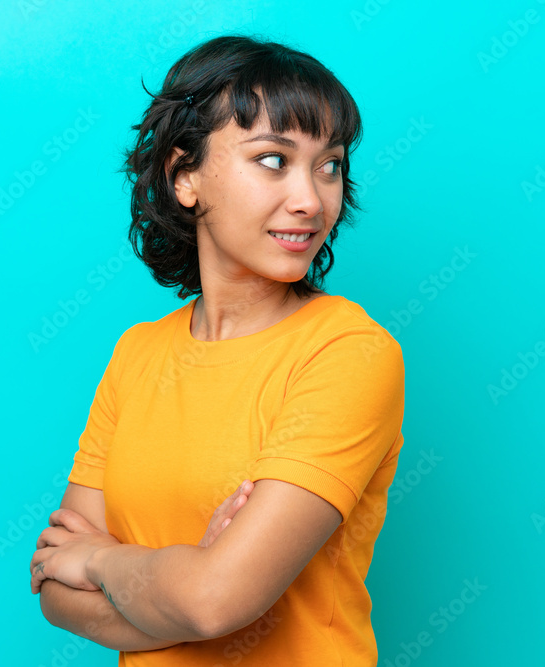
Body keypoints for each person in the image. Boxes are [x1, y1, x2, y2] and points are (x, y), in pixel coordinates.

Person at [29, 33, 406, 665]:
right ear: (185, 176)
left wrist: (102, 559)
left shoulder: (349, 353)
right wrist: (194, 580)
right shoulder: (137, 353)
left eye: (330, 164)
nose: (311, 200)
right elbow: (54, 592)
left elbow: (215, 602)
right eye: (272, 159)